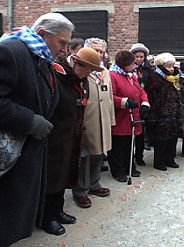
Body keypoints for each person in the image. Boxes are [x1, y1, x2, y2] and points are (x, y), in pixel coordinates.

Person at [0, 12, 73, 245]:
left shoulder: (40, 56)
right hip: (10, 154)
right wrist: (30, 120)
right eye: (62, 42)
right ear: (42, 34)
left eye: (67, 44)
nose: (64, 49)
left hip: (27, 151)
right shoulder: (12, 52)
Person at [43, 47, 103, 236]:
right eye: (86, 70)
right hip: (55, 136)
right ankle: (47, 217)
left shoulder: (80, 80)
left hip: (72, 135)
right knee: (52, 176)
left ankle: (58, 210)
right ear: (75, 63)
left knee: (65, 175)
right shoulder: (58, 76)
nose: (88, 74)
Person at [72, 38, 115, 209]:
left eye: (102, 52)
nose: (99, 55)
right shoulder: (79, 71)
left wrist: (111, 120)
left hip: (102, 119)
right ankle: (80, 190)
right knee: (83, 156)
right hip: (86, 119)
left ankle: (94, 183)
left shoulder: (104, 71)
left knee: (99, 152)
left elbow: (109, 97)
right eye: (95, 51)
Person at [108, 50, 150, 182]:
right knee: (118, 145)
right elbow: (110, 96)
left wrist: (144, 103)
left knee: (129, 144)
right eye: (132, 63)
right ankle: (118, 170)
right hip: (121, 116)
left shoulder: (130, 76)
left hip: (133, 116)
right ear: (124, 65)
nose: (134, 66)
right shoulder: (112, 76)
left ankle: (129, 165)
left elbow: (141, 90)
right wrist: (124, 102)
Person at [146, 52, 184, 171]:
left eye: (172, 66)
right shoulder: (155, 78)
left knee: (172, 139)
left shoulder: (175, 79)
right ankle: (159, 161)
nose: (171, 69)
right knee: (161, 140)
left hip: (174, 115)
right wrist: (153, 114)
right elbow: (151, 96)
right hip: (160, 115)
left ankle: (170, 159)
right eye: (168, 66)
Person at [130, 43, 153, 160]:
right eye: (137, 56)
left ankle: (139, 155)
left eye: (141, 57)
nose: (139, 59)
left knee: (142, 130)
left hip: (145, 101)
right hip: (132, 101)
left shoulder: (148, 69)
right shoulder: (129, 68)